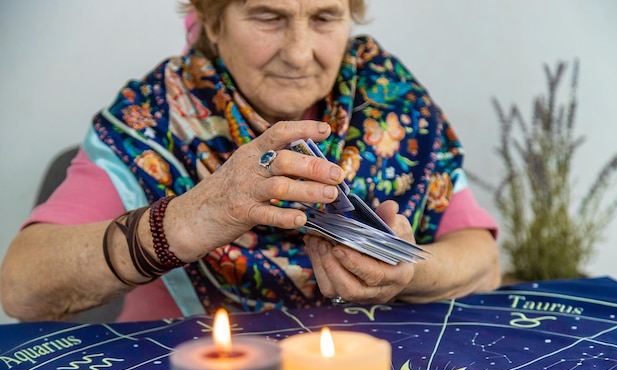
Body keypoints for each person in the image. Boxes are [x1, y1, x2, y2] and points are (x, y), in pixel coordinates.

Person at [0, 0, 500, 323]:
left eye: (325, 17)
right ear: (213, 22)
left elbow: (483, 262)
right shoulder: (155, 118)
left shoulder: (389, 102)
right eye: (267, 16)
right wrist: (189, 219)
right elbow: (22, 287)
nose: (300, 54)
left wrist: (405, 272)